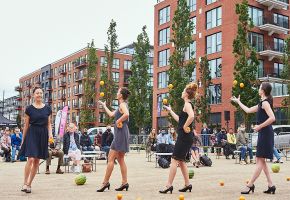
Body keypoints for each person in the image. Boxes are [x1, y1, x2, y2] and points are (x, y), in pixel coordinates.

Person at [231, 82, 276, 195]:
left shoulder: (265, 103)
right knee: (261, 161)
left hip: (265, 133)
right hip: (263, 133)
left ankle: (250, 184)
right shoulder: (261, 103)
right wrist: (238, 102)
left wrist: (259, 126)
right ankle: (271, 185)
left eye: (260, 87)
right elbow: (248, 110)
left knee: (259, 160)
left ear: (263, 90)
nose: (258, 88)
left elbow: (272, 118)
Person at [159, 82, 196, 194]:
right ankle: (187, 184)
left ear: (186, 94)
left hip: (184, 136)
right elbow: (180, 119)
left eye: (183, 90)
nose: (181, 92)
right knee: (181, 160)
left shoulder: (187, 104)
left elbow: (192, 116)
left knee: (174, 159)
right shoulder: (186, 104)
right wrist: (170, 111)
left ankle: (168, 185)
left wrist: (185, 126)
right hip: (186, 136)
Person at [19, 87, 53, 193]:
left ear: (43, 95)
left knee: (37, 161)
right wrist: (23, 140)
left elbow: (49, 124)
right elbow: (26, 125)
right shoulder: (29, 109)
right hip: (32, 133)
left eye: (41, 93)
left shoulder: (47, 109)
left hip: (43, 135)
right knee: (31, 159)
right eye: (37, 93)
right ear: (34, 95)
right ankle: (25, 183)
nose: (39, 94)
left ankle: (29, 184)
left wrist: (51, 135)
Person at [97, 87, 130, 192]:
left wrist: (118, 121)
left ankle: (105, 182)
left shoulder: (122, 105)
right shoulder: (122, 104)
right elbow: (111, 114)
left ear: (120, 95)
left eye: (118, 92)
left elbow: (126, 114)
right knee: (120, 159)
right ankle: (125, 183)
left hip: (120, 134)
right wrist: (104, 106)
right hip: (123, 133)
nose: (117, 93)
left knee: (110, 159)